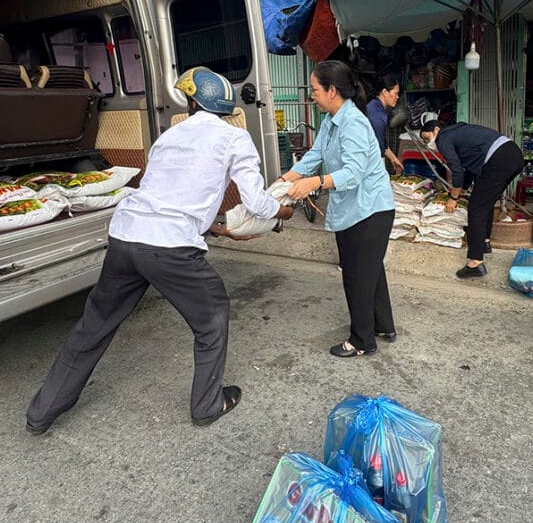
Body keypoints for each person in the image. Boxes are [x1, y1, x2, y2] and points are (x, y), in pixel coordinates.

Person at [25, 67, 294, 434]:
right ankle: (207, 405)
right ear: (226, 109)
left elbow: (168, 196)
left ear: (192, 103)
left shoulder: (167, 138)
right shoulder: (234, 138)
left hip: (126, 237)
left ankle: (41, 413)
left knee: (95, 324)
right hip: (170, 247)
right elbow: (256, 202)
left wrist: (216, 227)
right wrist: (281, 212)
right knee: (212, 314)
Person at [281, 60, 397, 358]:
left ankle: (361, 341)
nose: (312, 95)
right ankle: (383, 325)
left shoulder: (353, 123)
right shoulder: (331, 120)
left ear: (332, 90)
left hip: (371, 208)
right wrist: (284, 180)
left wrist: (314, 183)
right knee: (370, 270)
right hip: (354, 207)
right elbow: (315, 154)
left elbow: (353, 173)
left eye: (315, 89)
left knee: (357, 276)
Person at [418, 119, 524, 278]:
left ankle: (475, 263)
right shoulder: (458, 132)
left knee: (476, 209)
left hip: (498, 159)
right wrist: (464, 188)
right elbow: (470, 167)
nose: (428, 143)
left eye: (427, 138)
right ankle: (484, 242)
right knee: (485, 202)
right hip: (513, 154)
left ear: (436, 130)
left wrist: (453, 197)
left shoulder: (443, 138)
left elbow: (457, 171)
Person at [365, 74, 404, 175]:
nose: (397, 97)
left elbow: (382, 142)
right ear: (385, 92)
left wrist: (393, 158)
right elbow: (379, 147)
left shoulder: (373, 106)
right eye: (395, 93)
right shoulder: (378, 115)